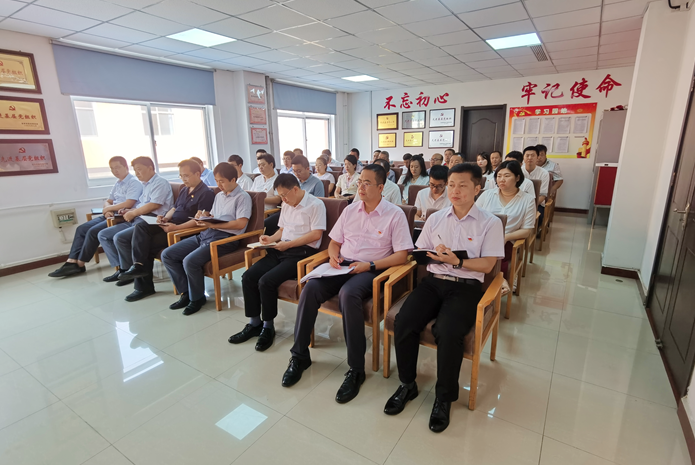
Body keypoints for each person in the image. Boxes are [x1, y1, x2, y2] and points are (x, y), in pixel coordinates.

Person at [384, 163, 504, 433]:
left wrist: (457, 261)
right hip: (434, 281)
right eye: (451, 185)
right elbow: (420, 253)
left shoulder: (490, 222)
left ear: (477, 188)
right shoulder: (436, 218)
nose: (455, 190)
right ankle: (407, 384)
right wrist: (434, 254)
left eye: (462, 185)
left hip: (466, 287)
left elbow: (487, 265)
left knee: (448, 331)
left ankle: (444, 397)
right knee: (404, 320)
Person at [283, 164, 413, 404]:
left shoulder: (395, 215)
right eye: (359, 182)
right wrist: (333, 256)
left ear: (381, 188)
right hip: (343, 265)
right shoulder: (350, 209)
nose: (360, 187)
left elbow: (402, 256)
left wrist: (370, 265)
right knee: (311, 288)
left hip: (372, 269)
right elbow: (334, 242)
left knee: (348, 294)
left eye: (366, 183)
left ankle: (356, 369)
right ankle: (299, 355)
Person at [229, 174, 326, 351]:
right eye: (280, 196)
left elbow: (316, 235)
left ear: (295, 189)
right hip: (281, 248)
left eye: (284, 195)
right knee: (248, 277)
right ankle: (254, 323)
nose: (283, 199)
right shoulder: (287, 204)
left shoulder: (315, 205)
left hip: (302, 253)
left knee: (266, 281)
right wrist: (270, 239)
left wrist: (288, 244)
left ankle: (268, 326)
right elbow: (282, 229)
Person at [114, 159, 215, 302]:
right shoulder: (184, 189)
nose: (183, 179)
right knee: (141, 227)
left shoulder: (206, 193)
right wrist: (165, 218)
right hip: (171, 225)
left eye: (186, 175)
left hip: (185, 231)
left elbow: (200, 221)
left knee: (146, 246)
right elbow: (174, 208)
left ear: (198, 174)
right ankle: (139, 269)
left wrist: (176, 228)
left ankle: (182, 292)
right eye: (181, 176)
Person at [161, 163, 252, 315]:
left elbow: (240, 223)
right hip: (208, 233)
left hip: (226, 239)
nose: (218, 185)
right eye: (216, 181)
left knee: (189, 261)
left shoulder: (242, 197)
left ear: (233, 179)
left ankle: (197, 298)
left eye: (222, 181)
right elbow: (214, 216)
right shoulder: (219, 196)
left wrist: (214, 225)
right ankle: (186, 293)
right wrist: (204, 217)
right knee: (168, 255)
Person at [48, 156, 142, 278]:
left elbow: (129, 203)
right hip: (110, 213)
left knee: (93, 232)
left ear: (126, 167)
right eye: (112, 168)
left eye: (118, 167)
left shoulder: (134, 182)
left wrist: (109, 209)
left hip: (121, 216)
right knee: (81, 229)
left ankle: (80, 263)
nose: (115, 171)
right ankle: (71, 261)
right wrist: (107, 209)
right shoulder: (118, 183)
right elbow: (108, 201)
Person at [98, 157, 174, 284]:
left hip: (153, 220)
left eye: (139, 169)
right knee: (106, 235)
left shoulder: (160, 182)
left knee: (121, 238)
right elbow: (142, 204)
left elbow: (154, 205)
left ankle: (130, 271)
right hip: (140, 217)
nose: (137, 173)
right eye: (135, 170)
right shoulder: (145, 184)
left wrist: (134, 212)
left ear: (150, 168)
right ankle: (126, 271)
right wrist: (130, 210)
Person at [476, 160, 536, 281]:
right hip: (482, 236)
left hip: (506, 239)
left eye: (507, 176)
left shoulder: (528, 200)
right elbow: (474, 217)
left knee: (495, 256)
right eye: (499, 176)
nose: (502, 179)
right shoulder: (487, 195)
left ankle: (497, 282)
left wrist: (506, 237)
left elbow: (527, 230)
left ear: (517, 177)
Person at [521, 146, 550, 230]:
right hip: (519, 203)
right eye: (527, 155)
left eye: (533, 155)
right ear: (523, 158)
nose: (530, 158)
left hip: (537, 204)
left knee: (537, 219)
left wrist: (530, 206)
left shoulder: (544, 173)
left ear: (537, 157)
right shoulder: (518, 171)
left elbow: (543, 195)